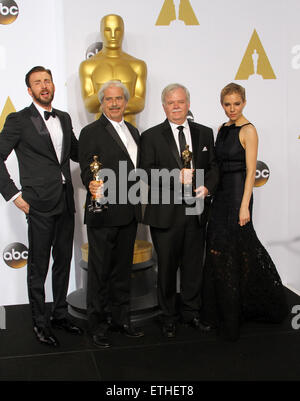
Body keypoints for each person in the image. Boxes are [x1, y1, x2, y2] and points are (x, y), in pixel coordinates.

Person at [0, 66, 82, 346]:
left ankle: (60, 313)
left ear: (53, 85)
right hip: (38, 205)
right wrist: (14, 196)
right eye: (38, 82)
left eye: (47, 80)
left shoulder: (66, 118)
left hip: (65, 202)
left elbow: (79, 152)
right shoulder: (19, 120)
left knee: (63, 263)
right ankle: (39, 322)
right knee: (38, 266)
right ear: (29, 90)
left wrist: (106, 135)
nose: (44, 86)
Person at [202, 83, 288, 341]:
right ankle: (219, 312)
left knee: (236, 250)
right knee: (219, 250)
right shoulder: (222, 129)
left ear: (244, 103)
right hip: (220, 197)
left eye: (236, 104)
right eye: (227, 104)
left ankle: (233, 320)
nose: (232, 109)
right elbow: (216, 166)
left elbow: (251, 172)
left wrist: (243, 206)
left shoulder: (249, 131)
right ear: (222, 104)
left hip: (239, 197)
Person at [140, 83, 219, 338]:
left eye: (181, 101)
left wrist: (207, 187)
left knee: (193, 266)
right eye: (171, 102)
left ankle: (191, 313)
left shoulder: (205, 133)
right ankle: (168, 317)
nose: (176, 106)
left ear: (188, 104)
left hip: (196, 211)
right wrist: (177, 177)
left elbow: (215, 167)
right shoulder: (151, 136)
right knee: (166, 268)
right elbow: (146, 172)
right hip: (165, 214)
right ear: (164, 106)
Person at [78, 80, 144, 348]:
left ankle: (121, 320)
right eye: (109, 99)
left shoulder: (134, 131)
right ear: (102, 103)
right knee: (99, 272)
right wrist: (90, 182)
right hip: (103, 213)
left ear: (125, 102)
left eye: (119, 99)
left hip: (129, 212)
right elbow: (86, 169)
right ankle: (97, 326)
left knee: (121, 270)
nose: (114, 103)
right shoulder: (90, 131)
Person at [79, 14, 147, 126]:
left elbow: (139, 103)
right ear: (102, 32)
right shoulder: (88, 66)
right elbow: (89, 106)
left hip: (130, 132)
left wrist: (108, 102)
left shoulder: (137, 65)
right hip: (101, 133)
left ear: (123, 31)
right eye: (107, 30)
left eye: (117, 30)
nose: (113, 35)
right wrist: (113, 95)